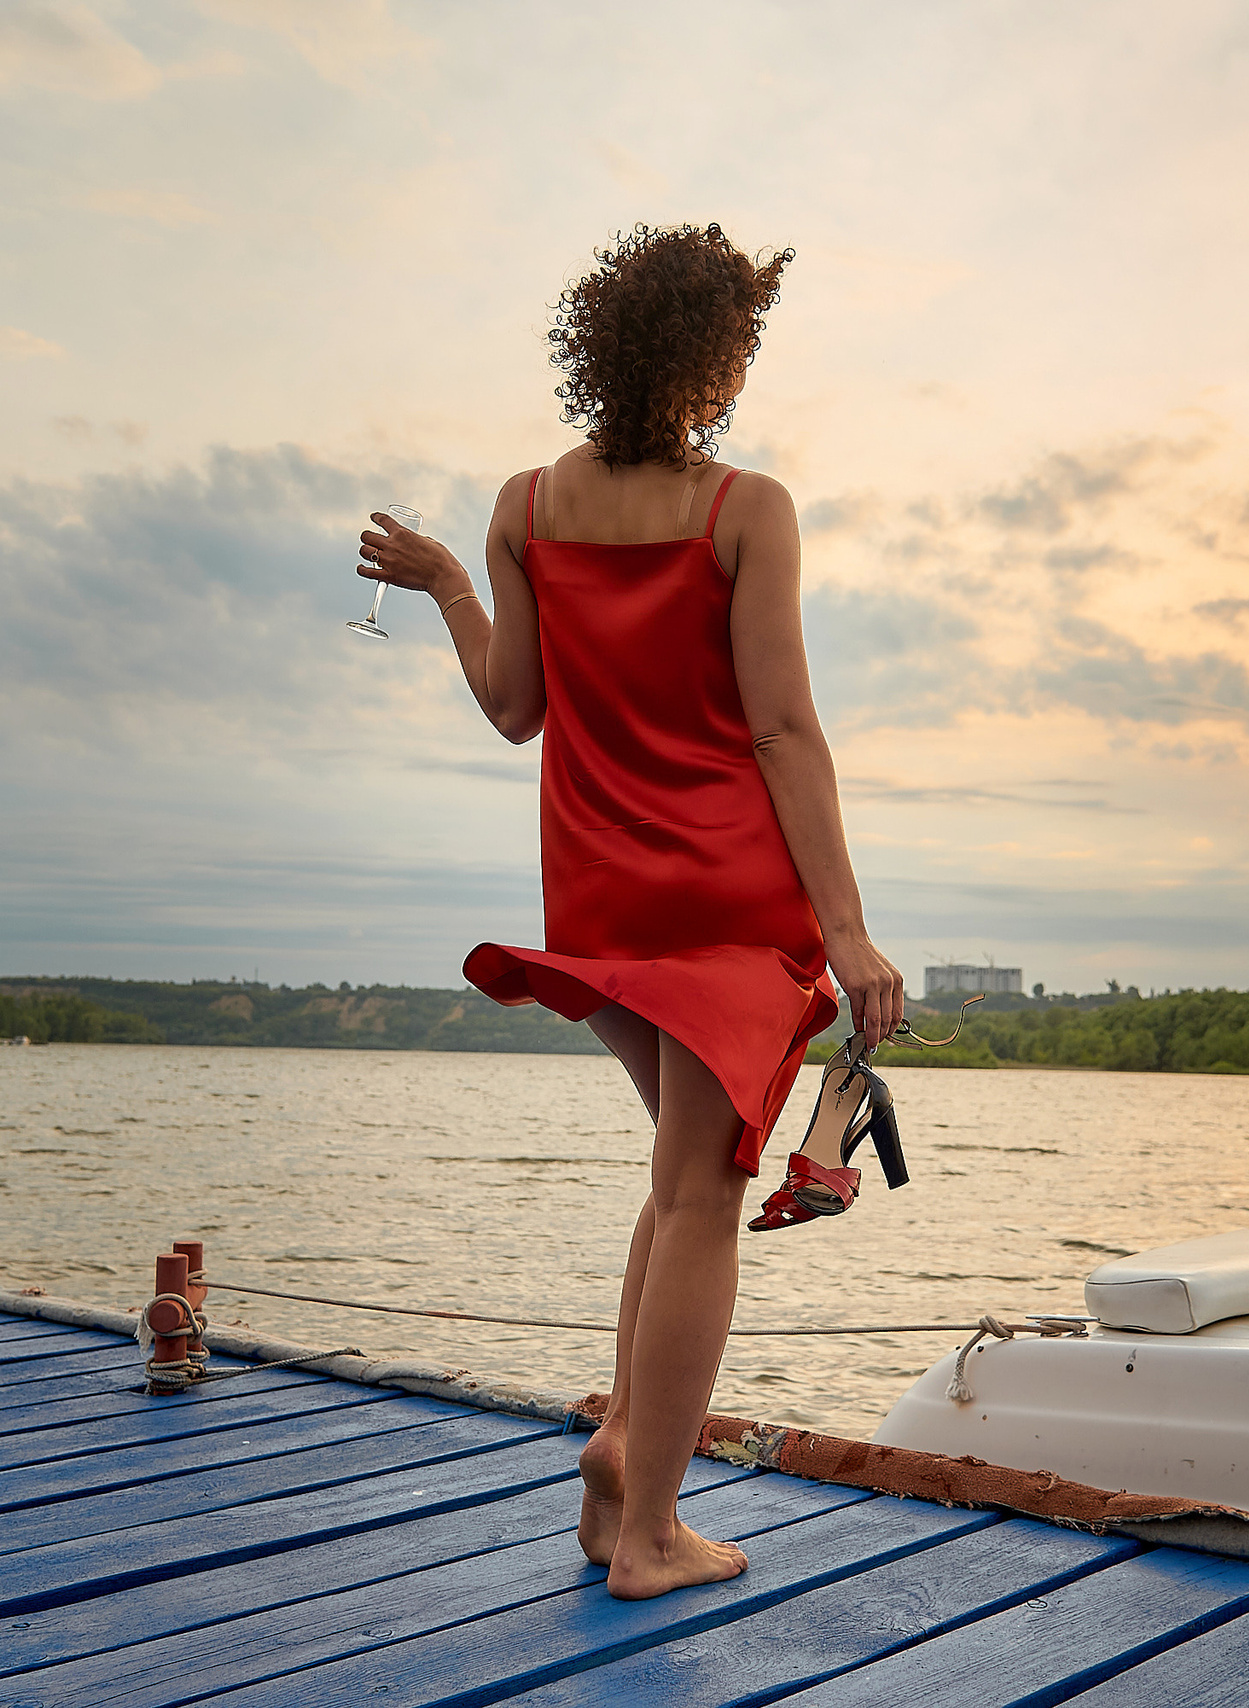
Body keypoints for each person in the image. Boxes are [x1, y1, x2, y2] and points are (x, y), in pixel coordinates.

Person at [353, 223, 905, 1600]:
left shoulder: (527, 506)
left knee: (676, 1183)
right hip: (726, 900)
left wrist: (447, 586)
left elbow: (513, 709)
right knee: (703, 1199)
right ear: (717, 362)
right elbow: (781, 731)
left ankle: (617, 1473)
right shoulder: (743, 512)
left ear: (597, 343)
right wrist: (845, 931)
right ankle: (653, 1532)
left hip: (603, 893)